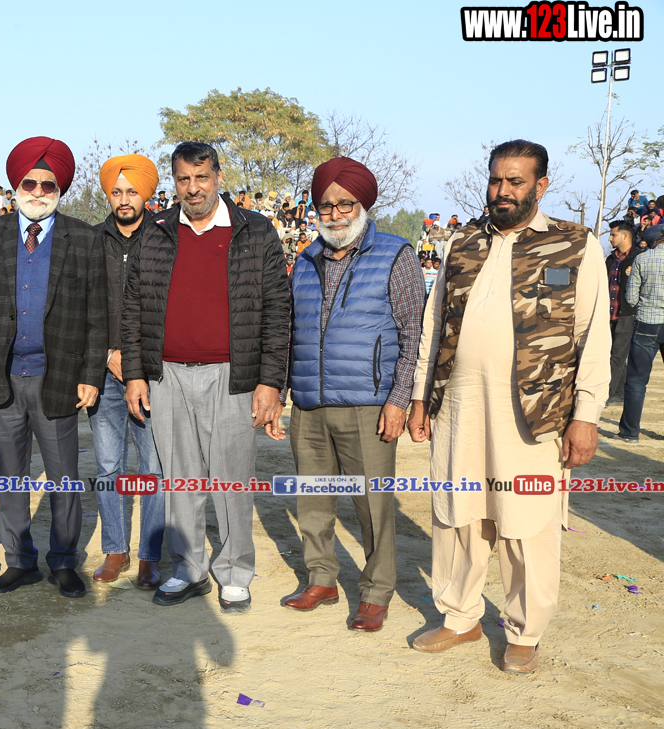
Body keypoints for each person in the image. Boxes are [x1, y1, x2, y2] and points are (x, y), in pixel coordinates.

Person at [408, 140, 610, 674]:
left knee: (526, 520)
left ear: (540, 185)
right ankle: (460, 618)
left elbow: (593, 336)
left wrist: (586, 415)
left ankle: (525, 631)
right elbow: (433, 325)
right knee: (458, 514)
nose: (502, 191)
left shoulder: (574, 244)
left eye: (515, 182)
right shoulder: (463, 241)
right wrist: (419, 397)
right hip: (459, 406)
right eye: (496, 180)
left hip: (535, 414)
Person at [122, 141, 290, 614]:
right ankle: (189, 568)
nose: (193, 188)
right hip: (167, 376)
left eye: (201, 177)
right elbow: (133, 309)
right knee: (180, 479)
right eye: (183, 179)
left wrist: (270, 382)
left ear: (217, 176)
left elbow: (278, 310)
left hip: (233, 376)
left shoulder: (254, 230)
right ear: (174, 183)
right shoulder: (155, 232)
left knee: (231, 478)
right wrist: (135, 375)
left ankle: (235, 571)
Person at [0, 136, 107, 598]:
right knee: (11, 476)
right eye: (30, 183)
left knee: (64, 478)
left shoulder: (84, 238)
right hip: (1, 377)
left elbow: (97, 315)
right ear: (15, 186)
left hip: (57, 377)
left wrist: (91, 375)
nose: (38, 191)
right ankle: (20, 561)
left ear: (59, 189)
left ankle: (63, 561)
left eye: (48, 184)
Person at [282, 157, 426, 632]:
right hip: (309, 402)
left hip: (369, 404)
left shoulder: (395, 254)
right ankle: (321, 578)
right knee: (313, 501)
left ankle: (376, 592)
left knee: (373, 506)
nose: (336, 214)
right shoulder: (305, 260)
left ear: (363, 205)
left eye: (345, 204)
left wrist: (399, 398)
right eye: (326, 205)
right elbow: (290, 332)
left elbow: (412, 332)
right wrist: (283, 392)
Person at [89, 154, 165, 589]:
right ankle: (115, 550)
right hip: (102, 374)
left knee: (153, 468)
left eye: (132, 191)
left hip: (151, 374)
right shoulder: (90, 240)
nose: (123, 199)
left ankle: (150, 556)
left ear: (146, 194)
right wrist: (106, 354)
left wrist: (135, 359)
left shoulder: (165, 238)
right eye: (116, 191)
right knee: (107, 467)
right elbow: (80, 306)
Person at [616, 225, 664, 441]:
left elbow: (631, 298)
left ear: (652, 240)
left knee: (636, 380)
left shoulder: (642, 259)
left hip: (647, 323)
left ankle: (629, 432)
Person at [606, 219, 642, 404]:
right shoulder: (610, 259)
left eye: (613, 234)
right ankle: (619, 394)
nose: (610, 238)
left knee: (617, 356)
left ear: (625, 235)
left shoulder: (639, 258)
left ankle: (606, 394)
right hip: (608, 314)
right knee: (610, 354)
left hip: (627, 314)